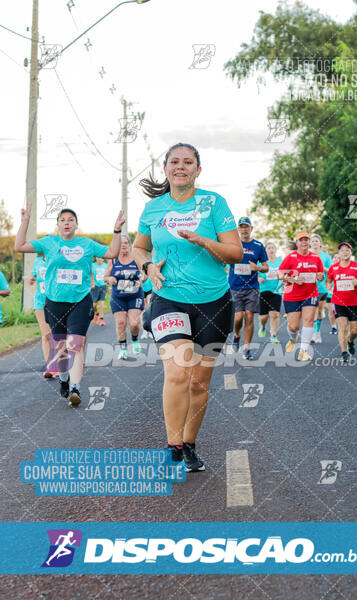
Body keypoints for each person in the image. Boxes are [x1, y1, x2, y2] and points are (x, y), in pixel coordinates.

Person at [133, 142, 242, 472]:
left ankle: (190, 444)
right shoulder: (153, 209)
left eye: (188, 162)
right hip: (169, 299)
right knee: (179, 371)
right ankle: (173, 447)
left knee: (199, 381)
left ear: (198, 169)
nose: (181, 166)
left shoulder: (214, 203)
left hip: (214, 302)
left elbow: (234, 253)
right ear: (165, 169)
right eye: (174, 162)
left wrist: (202, 241)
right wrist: (148, 266)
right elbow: (140, 247)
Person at [15, 206, 124, 406]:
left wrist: (116, 231)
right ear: (58, 225)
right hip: (54, 303)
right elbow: (19, 246)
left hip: (80, 301)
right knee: (60, 346)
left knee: (75, 343)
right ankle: (64, 379)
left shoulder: (87, 244)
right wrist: (25, 221)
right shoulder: (49, 242)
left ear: (76, 224)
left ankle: (75, 388)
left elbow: (112, 252)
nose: (67, 222)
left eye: (71, 219)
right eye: (63, 220)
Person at [279, 232, 324, 361]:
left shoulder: (316, 258)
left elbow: (320, 275)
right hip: (292, 295)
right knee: (294, 326)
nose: (304, 242)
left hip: (311, 294)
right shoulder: (290, 257)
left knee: (309, 320)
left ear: (309, 242)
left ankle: (303, 351)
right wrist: (292, 280)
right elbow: (280, 275)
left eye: (306, 240)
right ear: (297, 243)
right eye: (301, 240)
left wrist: (320, 277)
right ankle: (292, 339)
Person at [228, 217, 269, 360]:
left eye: (247, 227)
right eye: (241, 227)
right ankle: (237, 335)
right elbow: (223, 260)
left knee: (250, 316)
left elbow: (266, 267)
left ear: (251, 229)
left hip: (252, 287)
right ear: (238, 229)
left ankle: (246, 348)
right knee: (238, 318)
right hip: (235, 286)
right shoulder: (233, 244)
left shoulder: (258, 245)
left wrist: (257, 268)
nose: (244, 229)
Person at [104, 235, 145, 359]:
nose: (123, 245)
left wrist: (142, 279)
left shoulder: (136, 259)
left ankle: (135, 340)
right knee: (121, 323)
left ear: (130, 245)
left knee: (134, 324)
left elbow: (145, 274)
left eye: (126, 243)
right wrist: (109, 279)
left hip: (135, 295)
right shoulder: (113, 260)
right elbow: (105, 277)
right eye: (121, 243)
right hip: (118, 297)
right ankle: (123, 349)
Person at [326, 242, 357, 362]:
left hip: (353, 303)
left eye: (347, 250)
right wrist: (329, 287)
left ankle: (350, 341)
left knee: (354, 332)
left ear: (351, 252)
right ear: (339, 253)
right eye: (342, 250)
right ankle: (344, 352)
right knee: (342, 328)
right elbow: (328, 281)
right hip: (338, 302)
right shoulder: (334, 268)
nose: (345, 252)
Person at [29, 255, 58, 378]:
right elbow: (34, 275)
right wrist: (32, 279)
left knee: (58, 335)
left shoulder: (58, 260)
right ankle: (51, 366)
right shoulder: (38, 261)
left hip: (58, 301)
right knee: (46, 335)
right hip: (40, 302)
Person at [258, 241, 282, 343]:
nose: (271, 250)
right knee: (263, 317)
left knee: (275, 314)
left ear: (275, 250)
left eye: (273, 248)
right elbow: (255, 273)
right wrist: (258, 278)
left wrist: (282, 277)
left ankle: (273, 335)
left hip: (277, 291)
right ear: (265, 250)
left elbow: (284, 272)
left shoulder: (280, 261)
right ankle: (263, 327)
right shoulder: (261, 262)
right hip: (263, 291)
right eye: (269, 248)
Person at [310, 234, 332, 344]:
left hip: (322, 287)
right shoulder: (307, 255)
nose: (314, 243)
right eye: (313, 241)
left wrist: (322, 268)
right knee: (312, 310)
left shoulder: (326, 257)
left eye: (316, 241)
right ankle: (313, 333)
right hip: (309, 288)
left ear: (320, 243)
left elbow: (331, 272)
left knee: (319, 310)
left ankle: (317, 332)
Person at [91, 257, 108, 326]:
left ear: (103, 259)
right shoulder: (92, 265)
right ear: (96, 258)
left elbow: (108, 275)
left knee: (102, 303)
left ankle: (101, 319)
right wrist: (92, 283)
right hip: (95, 287)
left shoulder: (106, 266)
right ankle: (96, 314)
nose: (99, 259)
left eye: (101, 258)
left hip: (103, 286)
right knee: (94, 305)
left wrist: (108, 284)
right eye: (98, 257)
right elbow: (90, 275)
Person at [327, 252, 339, 334]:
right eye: (335, 257)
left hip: (341, 295)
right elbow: (327, 280)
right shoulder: (330, 268)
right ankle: (334, 327)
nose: (336, 259)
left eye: (338, 257)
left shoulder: (345, 267)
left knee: (339, 312)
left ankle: (342, 327)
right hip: (330, 294)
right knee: (331, 311)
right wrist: (329, 288)